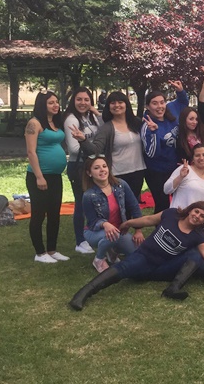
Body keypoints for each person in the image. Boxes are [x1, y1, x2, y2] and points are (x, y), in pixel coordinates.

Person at [69, 201, 204, 311]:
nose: (198, 216)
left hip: (162, 269)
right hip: (143, 259)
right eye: (196, 212)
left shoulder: (198, 236)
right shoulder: (171, 214)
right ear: (190, 210)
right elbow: (148, 220)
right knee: (122, 268)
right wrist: (128, 223)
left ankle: (172, 289)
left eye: (202, 217)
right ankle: (82, 294)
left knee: (196, 254)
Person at [74, 90, 146, 202]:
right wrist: (83, 140)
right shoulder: (107, 128)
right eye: (113, 103)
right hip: (118, 175)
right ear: (108, 106)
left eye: (120, 102)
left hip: (138, 172)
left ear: (126, 104)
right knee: (121, 209)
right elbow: (95, 150)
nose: (117, 105)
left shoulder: (136, 123)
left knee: (133, 206)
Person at [25, 91, 68, 263]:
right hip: (39, 176)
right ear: (42, 105)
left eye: (57, 102)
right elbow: (31, 151)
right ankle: (40, 252)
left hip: (55, 176)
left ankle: (52, 249)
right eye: (51, 103)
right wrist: (39, 176)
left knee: (54, 213)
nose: (55, 105)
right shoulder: (34, 123)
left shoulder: (55, 122)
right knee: (39, 214)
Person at [82, 156, 143, 272]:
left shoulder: (121, 185)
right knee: (112, 234)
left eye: (104, 166)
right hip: (94, 232)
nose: (102, 170)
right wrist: (105, 224)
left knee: (138, 253)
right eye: (96, 168)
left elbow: (134, 206)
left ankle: (112, 251)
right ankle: (99, 259)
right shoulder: (88, 195)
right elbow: (92, 222)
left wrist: (138, 230)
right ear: (89, 173)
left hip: (119, 231)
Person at [141, 81, 189, 213]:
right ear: (148, 106)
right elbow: (152, 153)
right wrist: (154, 132)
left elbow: (183, 103)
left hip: (175, 168)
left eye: (162, 102)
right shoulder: (147, 125)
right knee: (163, 205)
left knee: (179, 203)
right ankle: (161, 231)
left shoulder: (170, 112)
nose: (159, 106)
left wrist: (180, 91)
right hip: (157, 172)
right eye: (154, 103)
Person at [63, 87, 100, 254]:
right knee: (81, 203)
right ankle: (80, 241)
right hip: (78, 166)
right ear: (73, 101)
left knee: (93, 202)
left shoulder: (90, 117)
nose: (83, 103)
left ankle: (91, 234)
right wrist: (92, 148)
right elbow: (74, 148)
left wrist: (96, 112)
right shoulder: (71, 119)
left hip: (92, 164)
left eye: (86, 100)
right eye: (79, 99)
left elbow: (105, 128)